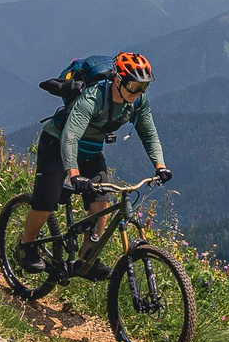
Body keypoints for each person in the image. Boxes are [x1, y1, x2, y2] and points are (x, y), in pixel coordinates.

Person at [16, 51, 169, 278]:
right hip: (57, 144)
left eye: (143, 87)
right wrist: (74, 174)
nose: (138, 93)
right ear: (118, 79)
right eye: (134, 86)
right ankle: (26, 246)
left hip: (91, 151)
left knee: (101, 200)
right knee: (46, 201)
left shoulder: (137, 103)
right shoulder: (94, 97)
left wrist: (160, 166)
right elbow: (70, 136)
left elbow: (149, 134)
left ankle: (86, 260)